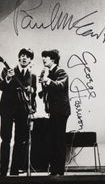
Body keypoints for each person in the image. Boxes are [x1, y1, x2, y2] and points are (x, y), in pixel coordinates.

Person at [0, 48, 36, 176]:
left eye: (27, 56)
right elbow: (2, 86)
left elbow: (34, 95)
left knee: (20, 140)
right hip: (7, 109)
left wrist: (31, 91)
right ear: (18, 58)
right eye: (21, 55)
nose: (24, 58)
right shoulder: (7, 71)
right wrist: (8, 79)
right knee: (6, 139)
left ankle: (14, 170)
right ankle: (2, 171)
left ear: (30, 59)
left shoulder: (32, 77)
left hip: (23, 110)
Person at [39, 49, 70, 176]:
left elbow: (59, 86)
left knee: (58, 140)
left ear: (52, 59)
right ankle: (54, 170)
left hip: (61, 111)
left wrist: (47, 80)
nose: (43, 59)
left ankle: (59, 171)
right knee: (52, 140)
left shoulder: (60, 71)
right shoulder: (48, 72)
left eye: (45, 57)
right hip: (53, 111)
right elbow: (48, 89)